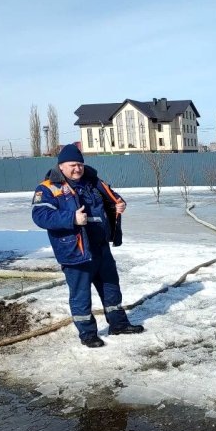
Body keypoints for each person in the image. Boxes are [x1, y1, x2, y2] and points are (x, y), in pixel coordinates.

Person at [31, 144, 144, 348]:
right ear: (61, 166)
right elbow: (40, 216)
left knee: (111, 288)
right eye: (72, 165)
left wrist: (119, 205)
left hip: (100, 247)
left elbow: (111, 198)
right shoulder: (48, 188)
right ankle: (88, 334)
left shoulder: (92, 181)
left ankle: (118, 324)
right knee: (81, 295)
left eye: (80, 165)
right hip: (75, 251)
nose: (77, 169)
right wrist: (71, 218)